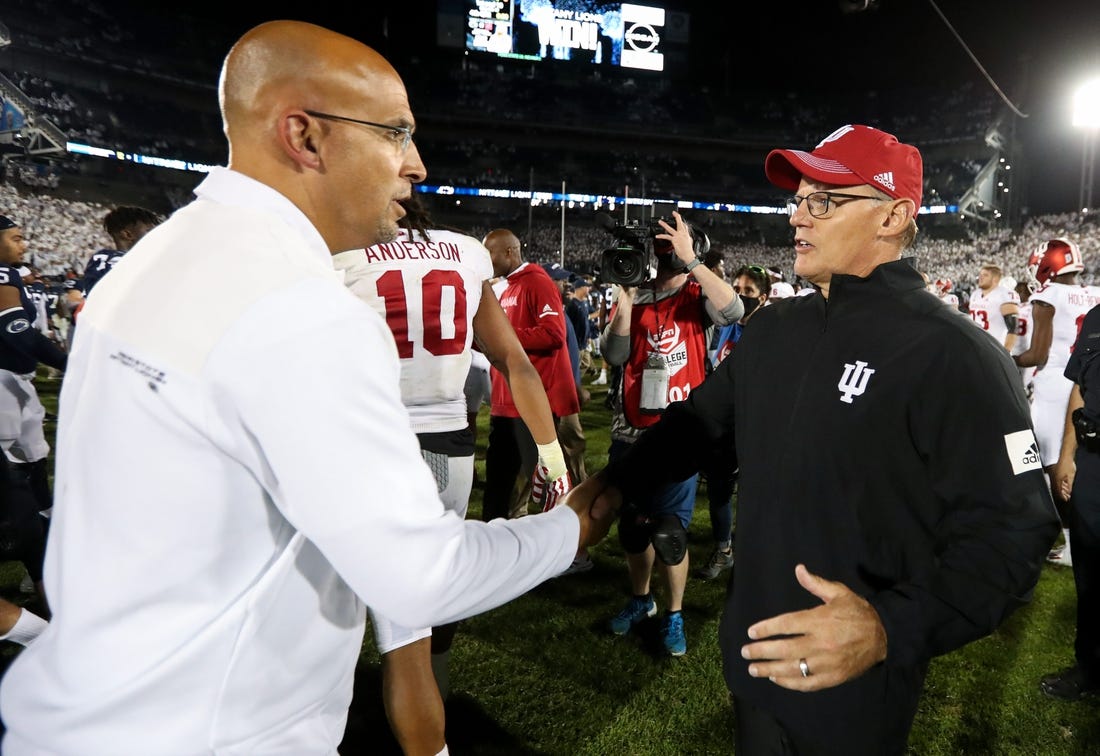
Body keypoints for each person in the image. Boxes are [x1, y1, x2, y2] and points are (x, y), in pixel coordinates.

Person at [0, 22, 613, 754]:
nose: (415, 165)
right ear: (305, 136)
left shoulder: (152, 257)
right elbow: (420, 577)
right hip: (214, 733)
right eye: (395, 134)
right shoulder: (300, 307)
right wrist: (571, 526)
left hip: (95, 712)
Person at [575, 125, 1059, 753]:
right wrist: (614, 486)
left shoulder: (955, 354)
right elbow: (698, 425)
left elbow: (1015, 533)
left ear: (894, 215)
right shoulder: (776, 329)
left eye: (824, 200)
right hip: (753, 663)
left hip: (854, 689)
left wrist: (890, 627)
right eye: (798, 199)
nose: (798, 217)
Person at [332, 192, 569, 753]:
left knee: (335, 609)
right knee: (417, 621)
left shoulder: (340, 254)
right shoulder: (466, 254)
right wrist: (553, 458)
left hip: (367, 442)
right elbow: (515, 361)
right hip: (446, 449)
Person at [601, 211, 740, 656]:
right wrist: (624, 300)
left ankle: (675, 613)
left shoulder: (699, 292)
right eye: (658, 251)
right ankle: (642, 601)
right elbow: (614, 353)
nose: (662, 260)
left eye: (669, 251)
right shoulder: (636, 293)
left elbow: (735, 309)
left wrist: (694, 262)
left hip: (680, 431)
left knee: (670, 534)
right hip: (631, 429)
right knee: (632, 529)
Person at [1013, 238, 1100, 566]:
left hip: (1053, 388)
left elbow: (1038, 354)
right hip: (1086, 384)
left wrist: (1006, 359)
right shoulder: (1095, 292)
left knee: (1039, 461)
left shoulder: (1047, 295)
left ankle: (1066, 537)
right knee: (1073, 463)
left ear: (1048, 263)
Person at [481, 228, 577, 522]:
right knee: (497, 486)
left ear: (509, 252)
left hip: (534, 406)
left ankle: (575, 548)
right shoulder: (504, 287)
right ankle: (491, 546)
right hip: (505, 403)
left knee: (552, 488)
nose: (487, 261)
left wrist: (504, 338)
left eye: (490, 253)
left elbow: (553, 334)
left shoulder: (537, 282)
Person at [695, 264, 770, 581]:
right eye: (737, 289)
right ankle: (724, 550)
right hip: (722, 428)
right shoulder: (724, 325)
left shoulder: (771, 334)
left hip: (757, 429)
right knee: (720, 493)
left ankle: (758, 554)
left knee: (758, 496)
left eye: (748, 292)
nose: (740, 296)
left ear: (763, 298)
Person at [1044, 302, 1100, 701]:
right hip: (1093, 461)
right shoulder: (1097, 316)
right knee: (1090, 574)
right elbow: (1078, 387)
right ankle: (1090, 668)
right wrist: (1067, 455)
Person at [0, 216, 67, 531]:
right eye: (15, 238)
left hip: (16, 382)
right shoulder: (2, 274)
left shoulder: (11, 273)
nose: (23, 245)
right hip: (3, 383)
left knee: (34, 460)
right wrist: (71, 362)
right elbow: (18, 333)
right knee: (12, 474)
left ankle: (43, 549)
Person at [78, 205, 162, 297]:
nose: (156, 236)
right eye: (149, 231)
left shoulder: (150, 261)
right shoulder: (106, 259)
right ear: (127, 235)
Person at [967, 263, 1020, 352]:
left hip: (995, 349)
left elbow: (1013, 327)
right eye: (980, 275)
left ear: (995, 279)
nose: (980, 277)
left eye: (985, 275)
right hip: (975, 346)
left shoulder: (1003, 295)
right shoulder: (975, 294)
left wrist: (1006, 351)